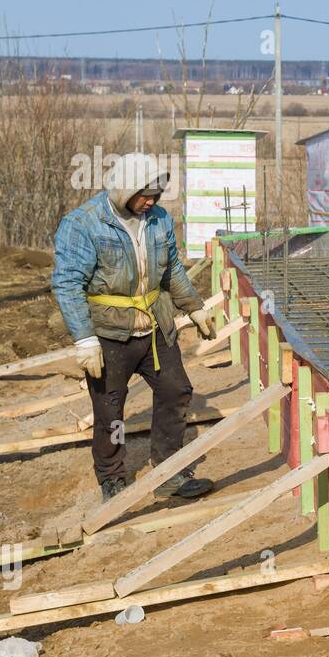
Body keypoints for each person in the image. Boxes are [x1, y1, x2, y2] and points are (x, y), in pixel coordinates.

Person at [51, 153, 216, 503]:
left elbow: (171, 268)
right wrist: (84, 340)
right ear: (124, 190)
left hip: (155, 324)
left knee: (175, 391)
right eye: (144, 195)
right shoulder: (84, 224)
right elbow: (67, 284)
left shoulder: (158, 220)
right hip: (110, 333)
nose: (151, 202)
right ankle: (112, 478)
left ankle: (170, 472)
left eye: (156, 196)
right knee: (110, 408)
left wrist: (195, 308)